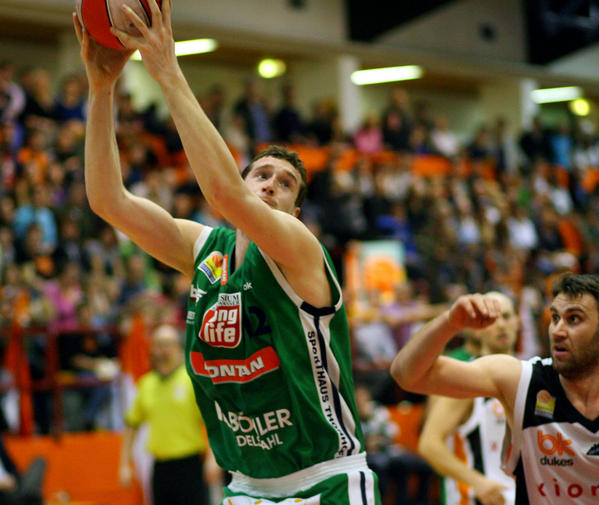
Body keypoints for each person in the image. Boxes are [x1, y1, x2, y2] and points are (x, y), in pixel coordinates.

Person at [73, 2, 379, 504]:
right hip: (246, 486)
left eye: (286, 184)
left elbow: (223, 194)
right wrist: (101, 89)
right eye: (261, 175)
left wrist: (166, 70)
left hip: (324, 479)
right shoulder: (204, 251)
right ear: (245, 180)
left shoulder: (299, 250)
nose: (271, 185)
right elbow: (109, 201)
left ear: (296, 212)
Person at [391, 273, 599, 504]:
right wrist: (449, 323)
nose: (557, 331)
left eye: (573, 319)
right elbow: (407, 375)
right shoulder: (520, 379)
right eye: (555, 318)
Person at [419, 292, 518, 505]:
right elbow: (429, 444)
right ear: (477, 330)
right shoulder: (465, 378)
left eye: (507, 316)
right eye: (493, 319)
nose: (501, 325)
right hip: (477, 498)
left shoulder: (530, 374)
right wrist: (477, 482)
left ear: (517, 322)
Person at [119, 325, 219, 505]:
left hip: (190, 465)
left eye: (167, 344)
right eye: (158, 344)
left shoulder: (192, 380)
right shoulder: (146, 384)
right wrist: (124, 463)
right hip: (160, 467)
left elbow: (213, 422)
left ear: (178, 348)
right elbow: (132, 424)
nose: (162, 350)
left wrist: (214, 458)